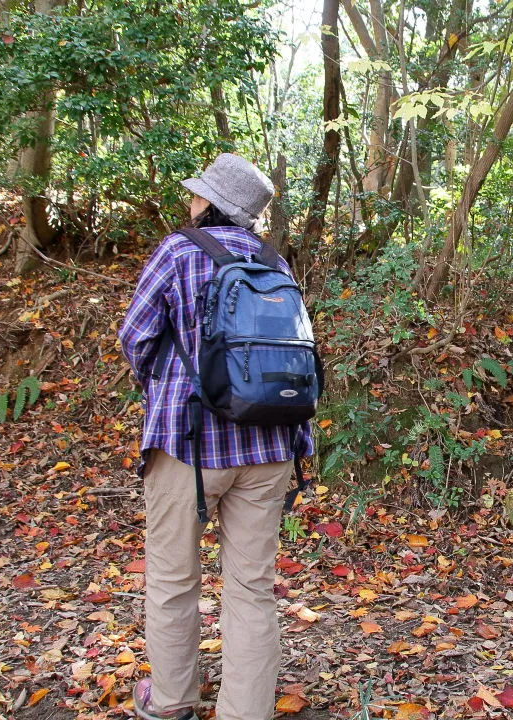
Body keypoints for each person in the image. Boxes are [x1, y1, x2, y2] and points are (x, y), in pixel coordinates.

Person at [119, 154, 312, 720]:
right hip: (272, 446)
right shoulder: (276, 263)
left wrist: (162, 383)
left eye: (196, 195)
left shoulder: (180, 251)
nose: (190, 202)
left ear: (209, 203)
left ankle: (174, 700)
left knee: (175, 578)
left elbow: (136, 336)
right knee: (252, 587)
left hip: (189, 443)